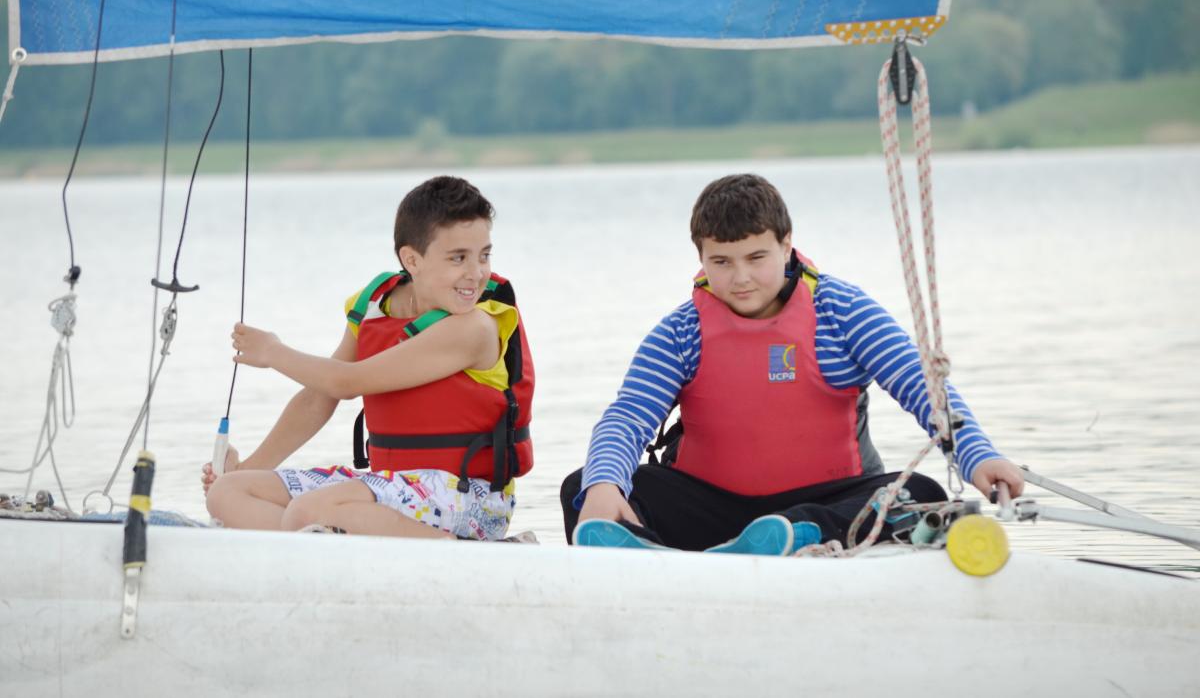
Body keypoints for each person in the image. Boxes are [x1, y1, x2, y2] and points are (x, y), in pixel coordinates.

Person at [562, 173, 1024, 555]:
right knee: (584, 486)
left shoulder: (841, 312)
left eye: (756, 257)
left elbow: (921, 386)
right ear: (700, 256)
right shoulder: (683, 332)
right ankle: (651, 559)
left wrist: (977, 454)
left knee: (922, 495)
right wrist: (605, 484)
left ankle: (794, 535)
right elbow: (628, 417)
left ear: (786, 246)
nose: (740, 278)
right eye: (721, 261)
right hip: (713, 509)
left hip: (829, 504)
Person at [204, 175, 534, 541]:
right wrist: (245, 469)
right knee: (227, 494)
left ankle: (455, 551)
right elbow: (318, 397)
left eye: (484, 255)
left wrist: (273, 352)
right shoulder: (376, 306)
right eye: (459, 258)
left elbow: (346, 382)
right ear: (412, 259)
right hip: (389, 485)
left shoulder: (475, 328)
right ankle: (327, 544)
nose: (476, 273)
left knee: (308, 511)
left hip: (472, 499)